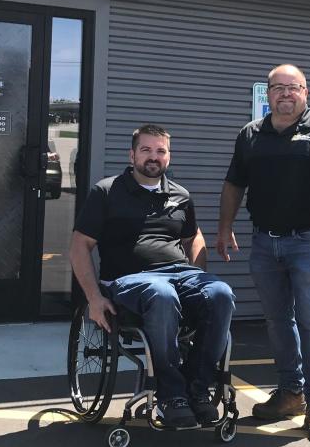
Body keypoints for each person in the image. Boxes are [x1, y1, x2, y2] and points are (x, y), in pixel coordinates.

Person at [216, 64, 310, 444]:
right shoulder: (251, 135)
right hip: (266, 242)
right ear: (268, 94)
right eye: (277, 88)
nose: (285, 94)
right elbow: (234, 183)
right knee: (277, 320)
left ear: (305, 92)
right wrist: (224, 226)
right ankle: (290, 393)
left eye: (292, 87)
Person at [70, 124, 235, 428]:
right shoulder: (106, 192)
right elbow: (80, 245)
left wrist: (198, 277)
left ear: (169, 157)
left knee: (221, 294)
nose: (153, 157)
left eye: (160, 151)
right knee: (161, 293)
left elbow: (193, 238)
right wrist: (93, 298)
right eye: (146, 149)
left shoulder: (181, 196)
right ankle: (170, 395)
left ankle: (197, 390)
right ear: (132, 154)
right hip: (128, 280)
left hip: (180, 275)